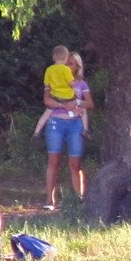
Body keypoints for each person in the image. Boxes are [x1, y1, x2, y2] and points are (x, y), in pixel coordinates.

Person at [35, 45, 90, 210]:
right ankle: (50, 199)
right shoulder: (54, 78)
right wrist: (63, 104)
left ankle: (79, 198)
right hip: (56, 122)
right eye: (68, 63)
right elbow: (47, 100)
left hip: (75, 123)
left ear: (77, 66)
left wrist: (77, 103)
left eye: (72, 64)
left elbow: (89, 103)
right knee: (53, 160)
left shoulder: (80, 84)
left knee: (75, 163)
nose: (68, 67)